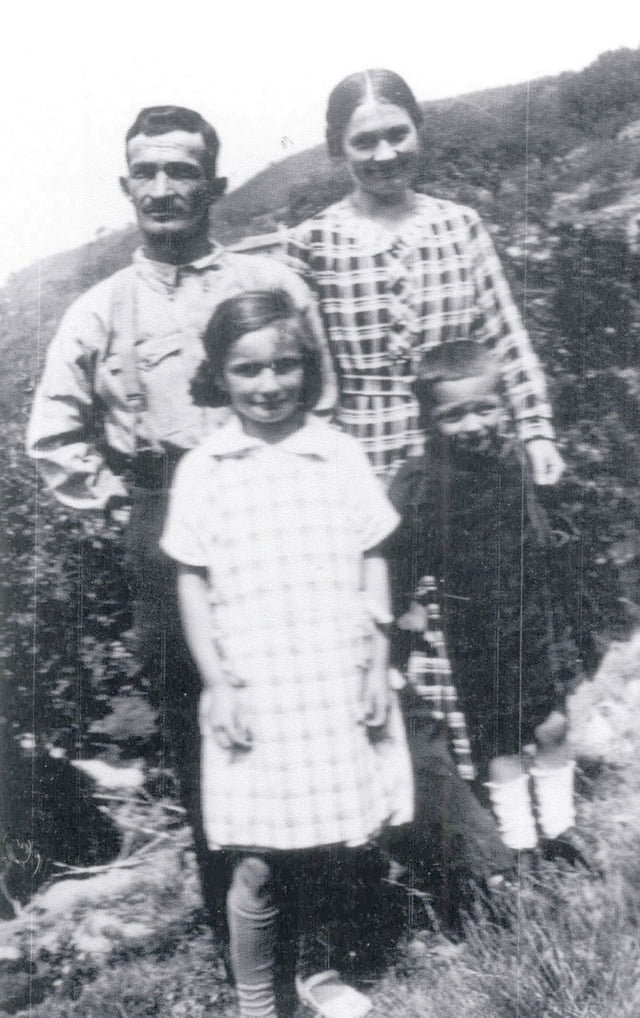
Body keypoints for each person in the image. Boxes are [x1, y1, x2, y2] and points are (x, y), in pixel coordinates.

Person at [26, 105, 336, 936]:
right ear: (127, 186)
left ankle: (336, 920)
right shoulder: (99, 309)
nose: (164, 188)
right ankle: (242, 928)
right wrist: (127, 504)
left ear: (215, 184)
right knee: (205, 724)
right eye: (148, 173)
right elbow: (51, 435)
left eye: (182, 170)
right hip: (165, 517)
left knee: (304, 701)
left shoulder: (268, 285)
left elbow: (325, 396)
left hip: (278, 508)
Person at [160, 289, 413, 1018]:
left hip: (332, 674)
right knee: (259, 858)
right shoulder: (207, 467)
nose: (269, 385)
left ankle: (319, 970)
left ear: (308, 366)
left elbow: (373, 555)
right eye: (248, 370)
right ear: (219, 375)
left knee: (336, 841)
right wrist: (218, 682)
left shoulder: (336, 452)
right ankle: (254, 999)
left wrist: (375, 661)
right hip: (256, 684)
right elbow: (192, 582)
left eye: (285, 366)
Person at [285, 68, 564, 487]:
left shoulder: (458, 224)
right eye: (364, 141)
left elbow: (506, 338)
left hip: (464, 462)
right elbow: (298, 374)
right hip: (359, 471)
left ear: (418, 131)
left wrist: (536, 430)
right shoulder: (311, 243)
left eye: (397, 134)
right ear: (338, 148)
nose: (385, 155)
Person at [388, 341, 578, 856]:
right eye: (453, 416)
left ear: (505, 406)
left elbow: (546, 536)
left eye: (484, 409)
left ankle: (560, 833)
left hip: (535, 620)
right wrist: (403, 621)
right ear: (429, 420)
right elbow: (399, 560)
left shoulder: (517, 462)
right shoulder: (421, 483)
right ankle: (521, 844)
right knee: (500, 741)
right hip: (476, 635)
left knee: (554, 723)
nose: (472, 425)